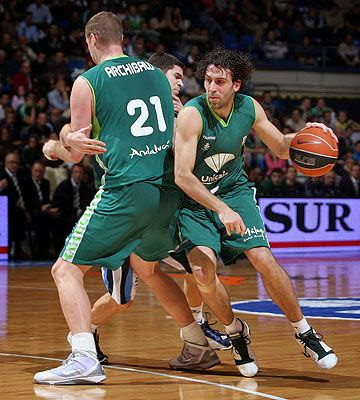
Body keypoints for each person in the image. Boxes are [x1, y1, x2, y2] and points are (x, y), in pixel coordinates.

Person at [34, 12, 218, 385]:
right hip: (166, 193)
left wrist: (54, 146)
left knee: (65, 270)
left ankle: (84, 356)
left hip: (125, 191)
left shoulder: (88, 81)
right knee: (149, 270)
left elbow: (76, 153)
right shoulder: (154, 74)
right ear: (121, 38)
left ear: (91, 40)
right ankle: (196, 342)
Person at [173, 48, 338, 377]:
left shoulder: (249, 108)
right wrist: (220, 209)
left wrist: (308, 135)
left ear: (236, 84)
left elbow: (279, 145)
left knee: (262, 257)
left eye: (219, 82)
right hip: (195, 201)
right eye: (207, 80)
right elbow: (182, 176)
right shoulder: (192, 114)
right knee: (204, 273)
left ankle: (304, 332)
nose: (211, 88)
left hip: (234, 192)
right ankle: (236, 333)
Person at [90, 52, 231, 366]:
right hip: (123, 212)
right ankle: (84, 332)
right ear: (155, 76)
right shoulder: (129, 105)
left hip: (160, 211)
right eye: (176, 76)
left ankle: (196, 330)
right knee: (123, 298)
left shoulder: (180, 111)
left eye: (183, 77)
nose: (183, 83)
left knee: (197, 263)